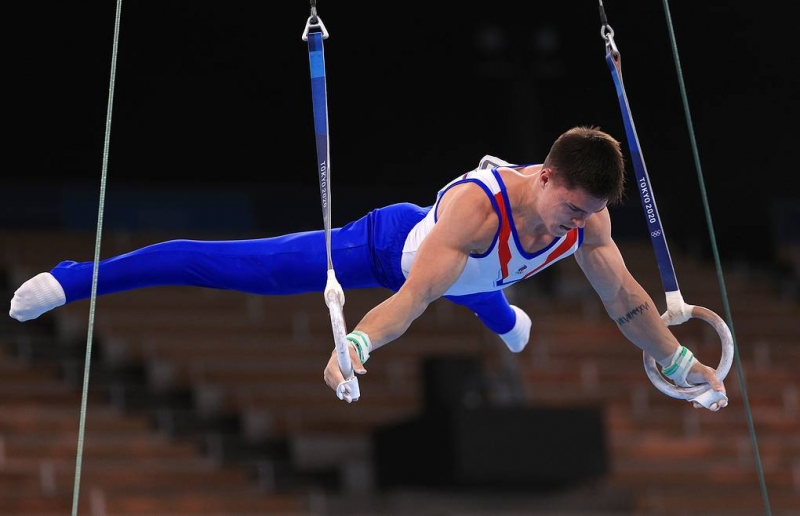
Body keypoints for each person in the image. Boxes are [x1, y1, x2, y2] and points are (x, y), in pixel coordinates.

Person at [8, 126, 727, 411]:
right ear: (543, 176)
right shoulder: (478, 212)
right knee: (218, 267)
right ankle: (77, 277)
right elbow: (413, 299)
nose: (575, 224)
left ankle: (501, 310)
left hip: (476, 272)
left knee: (484, 286)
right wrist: (354, 344)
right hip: (388, 251)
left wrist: (678, 361)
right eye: (569, 208)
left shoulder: (589, 220)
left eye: (587, 214)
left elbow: (629, 302)